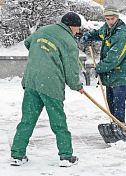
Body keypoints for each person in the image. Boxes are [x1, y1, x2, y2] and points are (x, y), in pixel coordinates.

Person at [10, 12, 84, 167]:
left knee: (27, 120)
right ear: (72, 26)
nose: (78, 31)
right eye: (78, 28)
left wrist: (42, 52)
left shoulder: (43, 30)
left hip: (32, 80)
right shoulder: (69, 42)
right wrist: (77, 86)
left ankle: (17, 154)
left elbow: (27, 43)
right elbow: (72, 69)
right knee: (58, 121)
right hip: (51, 84)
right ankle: (66, 156)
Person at [81, 6, 126, 124]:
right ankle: (114, 125)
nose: (109, 21)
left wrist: (99, 68)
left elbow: (114, 58)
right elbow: (99, 33)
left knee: (118, 105)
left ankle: (120, 127)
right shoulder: (106, 29)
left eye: (112, 19)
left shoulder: (121, 35)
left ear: (117, 18)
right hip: (109, 75)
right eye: (107, 19)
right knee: (110, 104)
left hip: (120, 75)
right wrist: (89, 35)